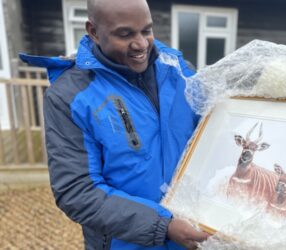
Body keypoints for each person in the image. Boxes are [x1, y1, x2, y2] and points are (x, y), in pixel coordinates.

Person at [20, 0, 209, 249]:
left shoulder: (181, 72)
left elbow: (212, 138)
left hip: (191, 237)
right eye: (125, 34)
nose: (141, 44)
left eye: (147, 30)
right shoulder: (70, 96)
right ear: (93, 32)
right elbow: (77, 191)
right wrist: (163, 226)